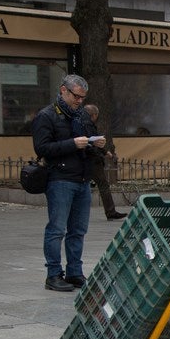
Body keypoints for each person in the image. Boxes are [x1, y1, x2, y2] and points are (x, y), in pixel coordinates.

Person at [33, 74, 104, 292]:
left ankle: (75, 272)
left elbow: (87, 143)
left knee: (78, 230)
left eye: (82, 97)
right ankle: (53, 274)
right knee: (56, 229)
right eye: (76, 96)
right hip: (60, 179)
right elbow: (42, 148)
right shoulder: (46, 116)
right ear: (63, 90)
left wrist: (96, 144)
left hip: (82, 179)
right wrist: (73, 144)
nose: (79, 101)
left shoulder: (81, 115)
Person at [82, 104, 125, 221]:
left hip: (84, 158)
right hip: (92, 159)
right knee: (103, 185)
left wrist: (105, 151)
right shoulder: (88, 124)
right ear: (94, 115)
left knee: (82, 184)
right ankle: (110, 211)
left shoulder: (79, 122)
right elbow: (94, 141)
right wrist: (102, 152)